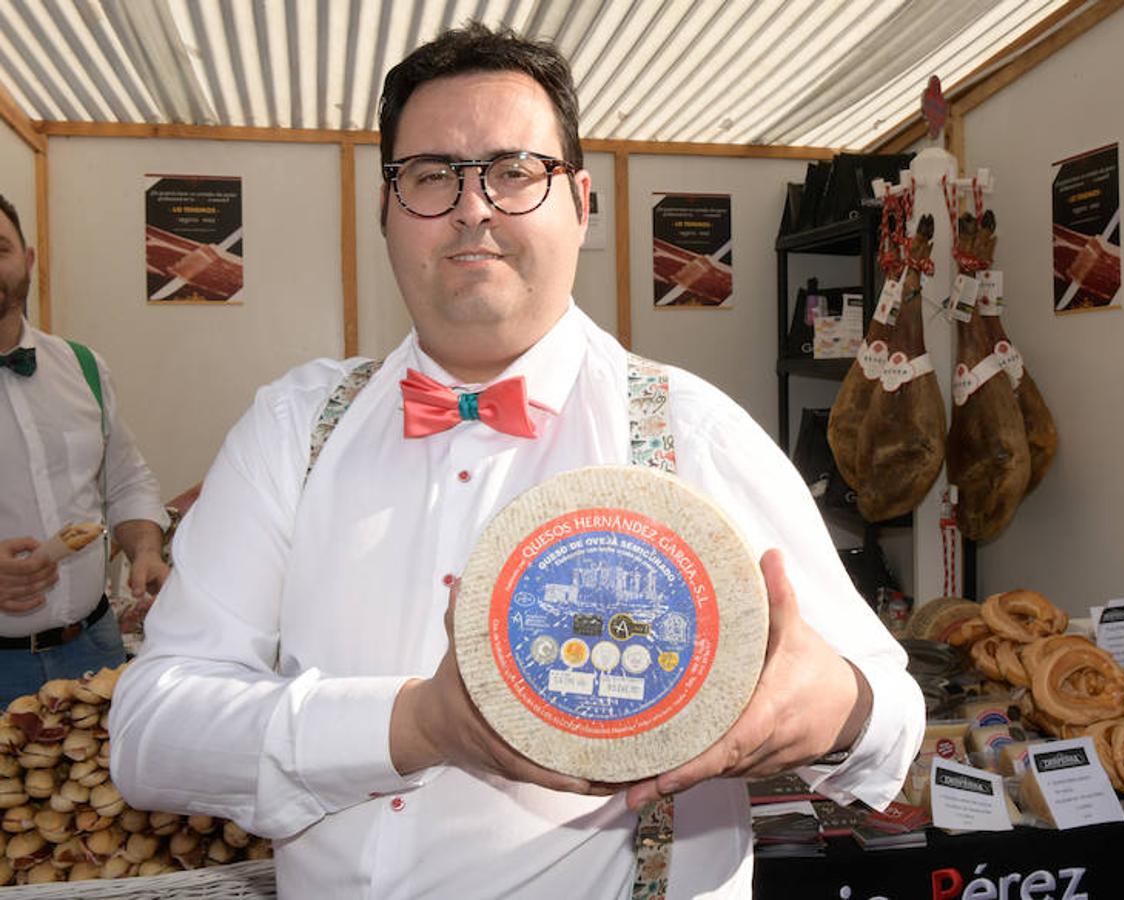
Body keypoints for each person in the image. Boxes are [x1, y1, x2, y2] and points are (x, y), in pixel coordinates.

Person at [110, 23, 924, 899]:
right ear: (384, 211)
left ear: (580, 202)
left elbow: (891, 708)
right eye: (430, 176)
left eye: (513, 172)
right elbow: (152, 732)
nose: (473, 208)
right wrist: (418, 724)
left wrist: (837, 706)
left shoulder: (695, 431)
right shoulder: (291, 427)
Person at [0, 193, 169, 704]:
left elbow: (126, 481)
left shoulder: (83, 368)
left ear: (27, 262)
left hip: (93, 649)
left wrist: (145, 549)